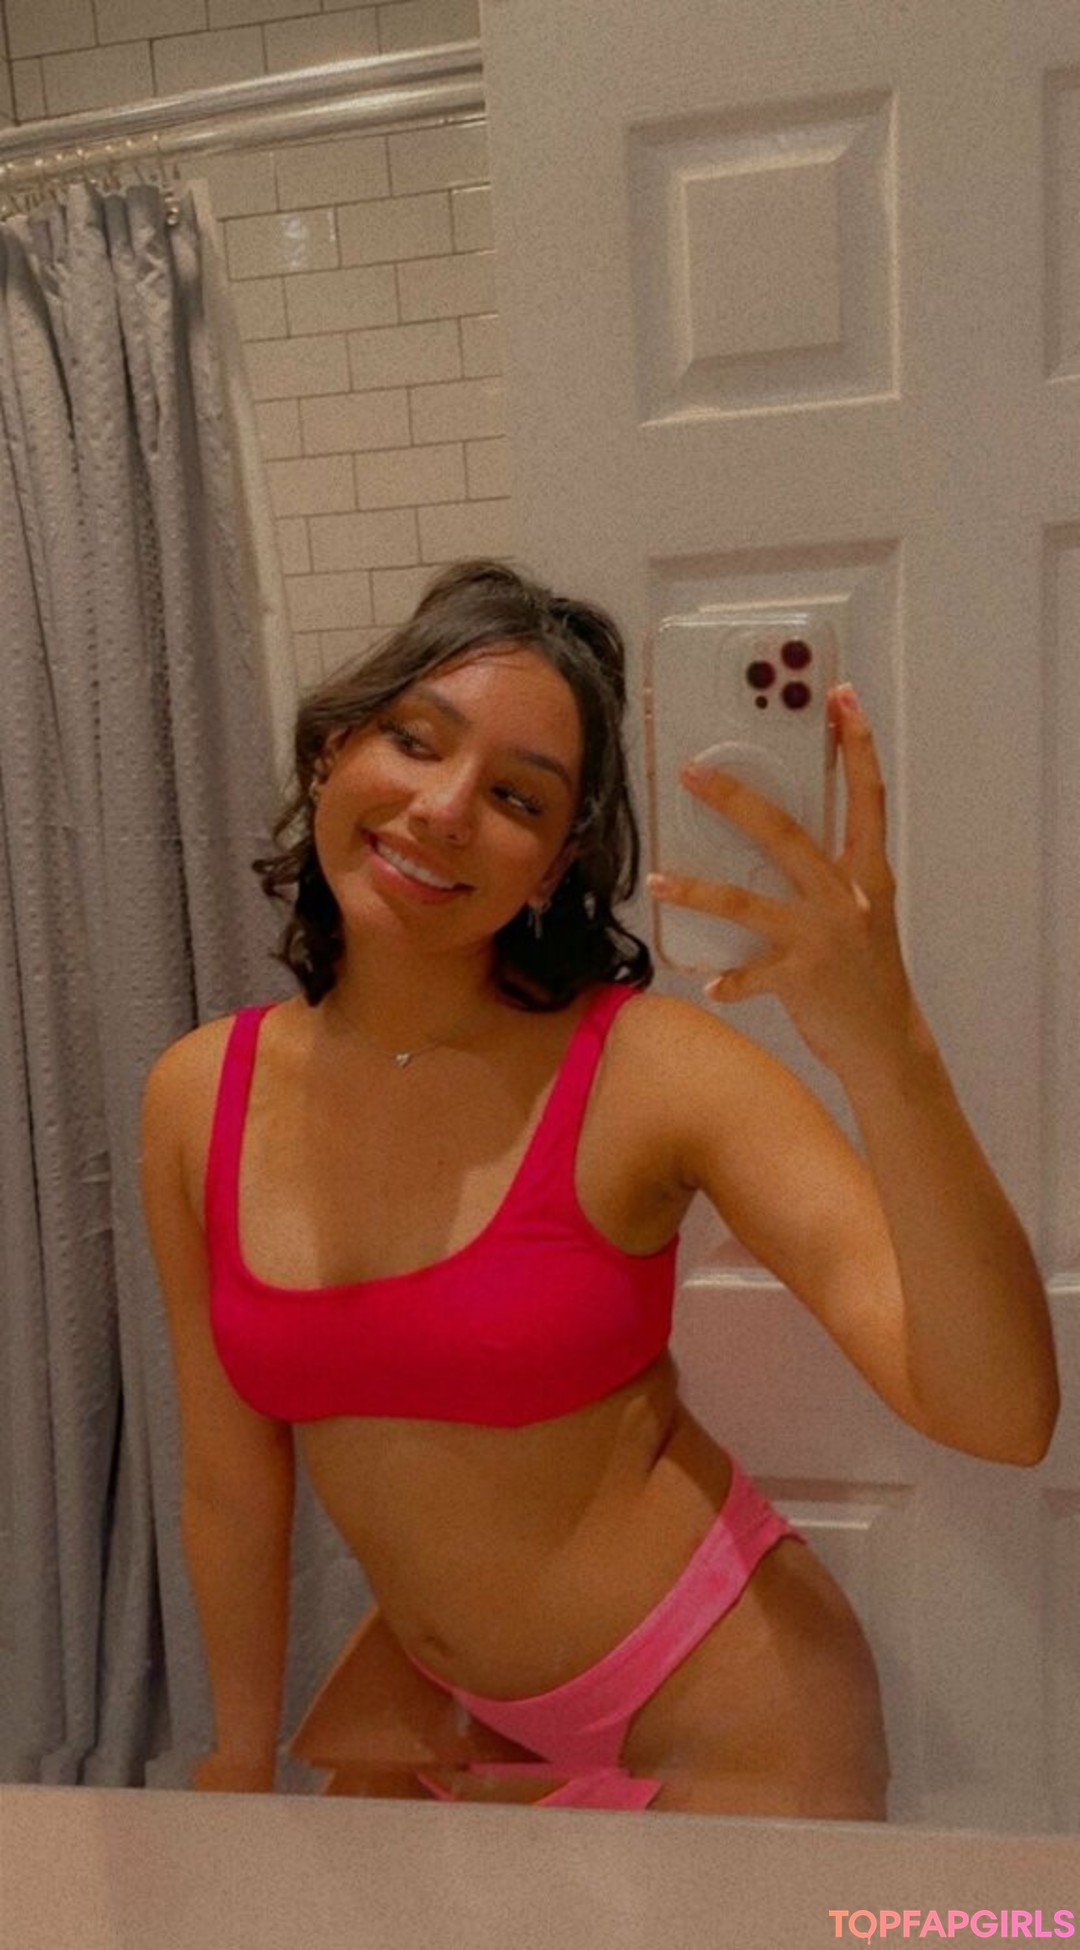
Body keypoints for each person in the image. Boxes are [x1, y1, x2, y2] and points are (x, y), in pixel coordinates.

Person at [140, 559, 1058, 1817]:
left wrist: (887, 1047)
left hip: (730, 1714)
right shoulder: (197, 1093)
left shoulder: (651, 1070)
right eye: (415, 740)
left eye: (516, 796)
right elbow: (230, 1476)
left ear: (557, 862)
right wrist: (239, 1755)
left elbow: (1001, 1415)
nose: (443, 808)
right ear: (334, 749)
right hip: (437, 1720)